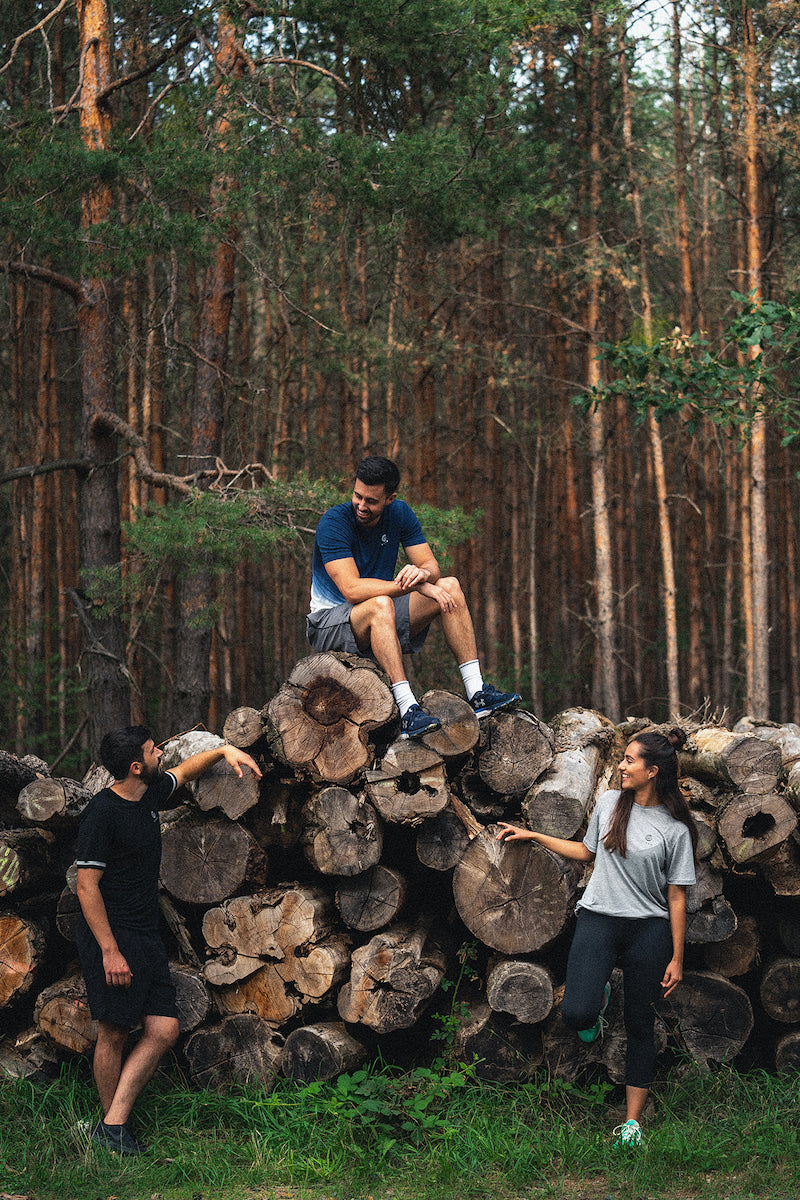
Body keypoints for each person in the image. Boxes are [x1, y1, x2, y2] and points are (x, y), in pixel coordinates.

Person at [495, 728, 696, 1149]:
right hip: (599, 920)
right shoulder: (608, 803)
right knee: (577, 1012)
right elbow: (587, 852)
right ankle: (598, 1000)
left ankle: (632, 1123)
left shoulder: (675, 829)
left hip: (649, 931)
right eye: (621, 758)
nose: (621, 766)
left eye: (629, 760)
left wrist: (677, 956)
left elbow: (677, 896)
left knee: (640, 1024)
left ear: (653, 771)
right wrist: (532, 835)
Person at [75, 725, 262, 1156]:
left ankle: (111, 1125)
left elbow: (184, 769)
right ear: (136, 766)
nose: (162, 751)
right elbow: (87, 887)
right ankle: (114, 1130)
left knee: (164, 1027)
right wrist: (109, 951)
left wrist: (222, 750)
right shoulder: (102, 814)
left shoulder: (150, 794)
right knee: (115, 1031)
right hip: (112, 936)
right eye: (153, 750)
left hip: (144, 933)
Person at [306, 455, 520, 738]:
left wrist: (423, 577)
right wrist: (414, 586)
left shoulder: (400, 514)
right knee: (380, 604)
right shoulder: (335, 522)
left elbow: (431, 567)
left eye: (371, 500)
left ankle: (477, 693)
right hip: (329, 625)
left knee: (450, 586)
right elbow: (352, 590)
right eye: (357, 496)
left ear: (390, 498)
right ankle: (408, 709)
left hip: (380, 617)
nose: (361, 505)